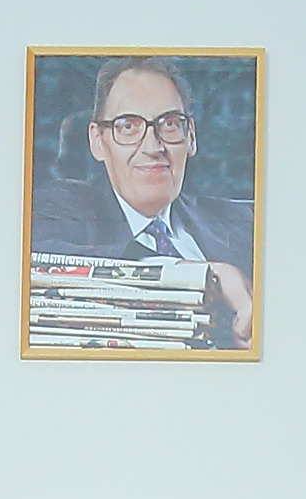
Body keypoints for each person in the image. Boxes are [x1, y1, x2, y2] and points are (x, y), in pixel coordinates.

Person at [29, 55, 257, 348]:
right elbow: (35, 262)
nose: (153, 147)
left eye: (170, 123)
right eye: (128, 126)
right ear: (97, 141)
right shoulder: (59, 209)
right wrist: (200, 276)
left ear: (191, 137)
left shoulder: (244, 221)